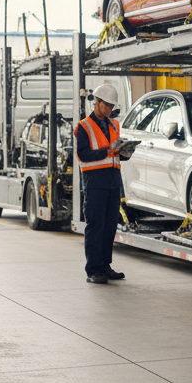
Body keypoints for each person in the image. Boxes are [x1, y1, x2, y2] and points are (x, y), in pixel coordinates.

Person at [75, 83, 126, 285]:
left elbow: (116, 155)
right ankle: (94, 270)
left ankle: (105, 266)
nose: (110, 110)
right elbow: (83, 154)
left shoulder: (114, 125)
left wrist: (125, 151)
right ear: (97, 102)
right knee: (95, 227)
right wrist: (107, 151)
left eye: (112, 107)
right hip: (95, 183)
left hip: (113, 182)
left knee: (109, 227)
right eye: (107, 106)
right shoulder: (84, 126)